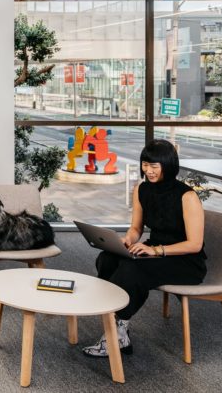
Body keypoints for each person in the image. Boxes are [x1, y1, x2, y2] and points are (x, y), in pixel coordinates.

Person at [82, 139, 206, 358]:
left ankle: (117, 332)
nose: (148, 170)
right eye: (145, 165)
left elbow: (194, 244)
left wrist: (157, 250)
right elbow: (136, 228)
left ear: (168, 165)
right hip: (154, 250)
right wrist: (127, 240)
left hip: (185, 260)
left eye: (154, 166)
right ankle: (119, 328)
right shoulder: (142, 189)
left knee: (133, 271)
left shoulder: (187, 196)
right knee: (107, 258)